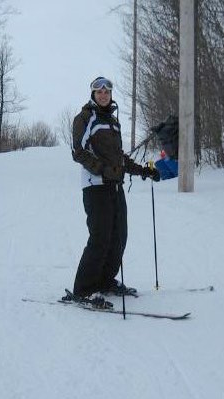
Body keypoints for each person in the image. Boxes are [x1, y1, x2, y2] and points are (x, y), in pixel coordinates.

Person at [68, 76, 160, 308]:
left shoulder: (112, 122)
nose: (103, 95)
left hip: (115, 187)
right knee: (99, 237)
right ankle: (84, 290)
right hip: (95, 186)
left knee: (119, 236)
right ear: (93, 94)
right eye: (98, 91)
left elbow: (119, 159)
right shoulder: (85, 118)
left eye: (106, 92)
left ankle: (105, 281)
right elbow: (78, 152)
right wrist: (103, 170)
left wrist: (143, 171)